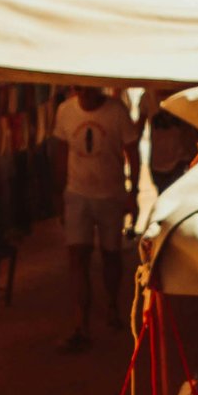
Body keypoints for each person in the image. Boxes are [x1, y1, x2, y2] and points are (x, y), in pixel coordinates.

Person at [53, 86, 139, 351]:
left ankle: (112, 304)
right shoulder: (65, 111)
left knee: (111, 255)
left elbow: (132, 153)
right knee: (78, 257)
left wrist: (131, 193)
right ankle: (82, 323)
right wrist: (59, 193)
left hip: (110, 195)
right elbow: (60, 150)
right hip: (77, 194)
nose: (86, 95)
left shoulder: (116, 112)